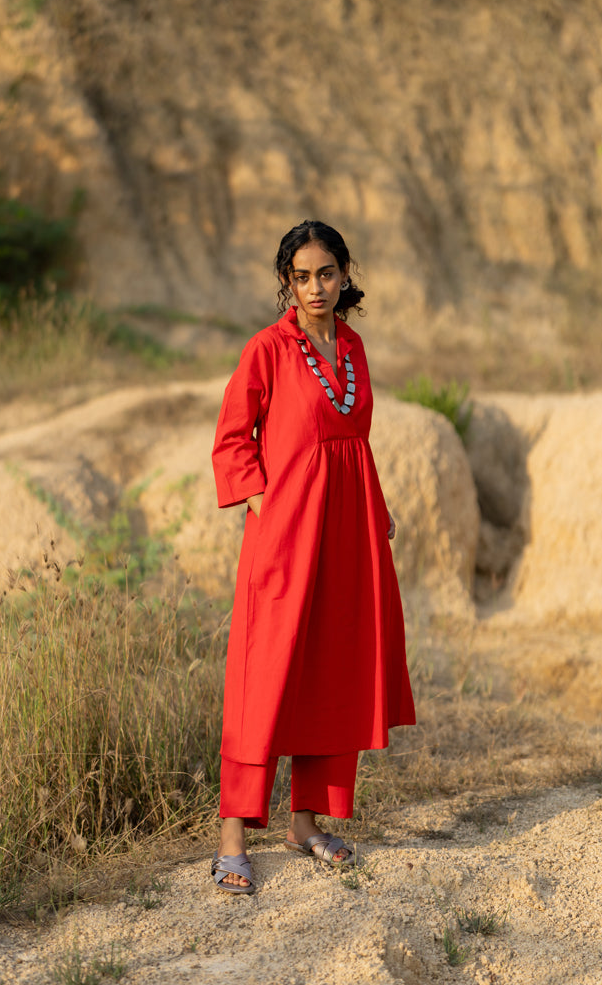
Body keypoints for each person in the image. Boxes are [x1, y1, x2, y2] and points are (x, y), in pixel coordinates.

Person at [210, 220, 416, 895]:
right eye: (301, 276)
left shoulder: (352, 348)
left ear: (344, 274)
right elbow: (234, 438)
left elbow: (355, 440)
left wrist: (373, 508)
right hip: (287, 533)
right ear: (286, 283)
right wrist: (261, 502)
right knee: (263, 675)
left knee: (330, 668)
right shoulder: (267, 350)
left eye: (325, 273)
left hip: (347, 532)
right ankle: (234, 837)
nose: (315, 287)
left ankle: (306, 823)